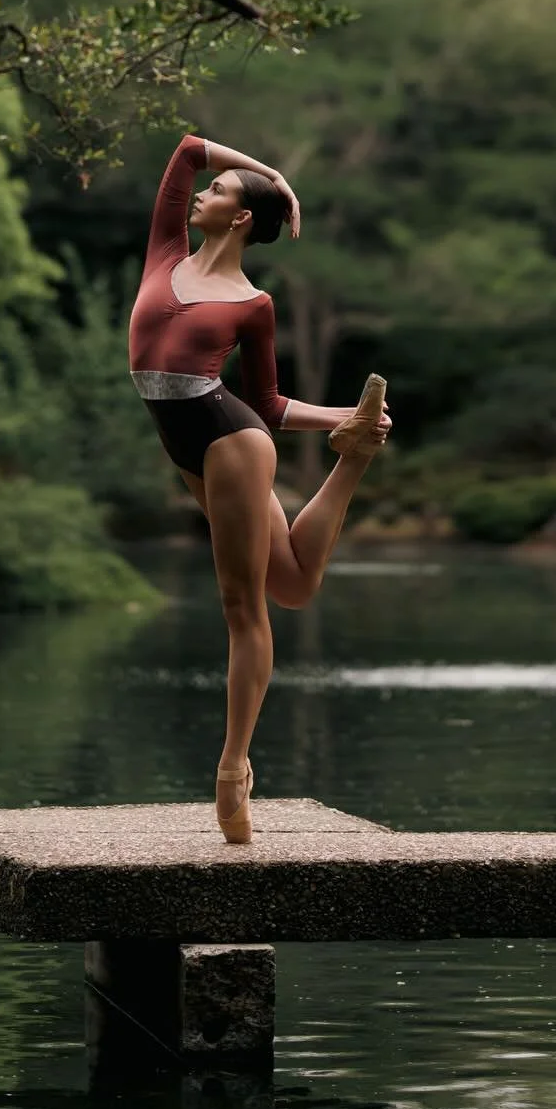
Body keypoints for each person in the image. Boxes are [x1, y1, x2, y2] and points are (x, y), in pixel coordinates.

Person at [128, 134, 391, 844]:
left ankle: (232, 766)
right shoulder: (165, 253)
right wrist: (271, 170)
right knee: (295, 583)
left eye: (222, 193)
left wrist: (336, 412)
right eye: (211, 190)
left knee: (243, 603)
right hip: (183, 440)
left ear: (240, 219)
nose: (205, 195)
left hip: (230, 436)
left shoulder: (254, 302)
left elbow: (267, 403)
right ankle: (354, 458)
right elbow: (186, 151)